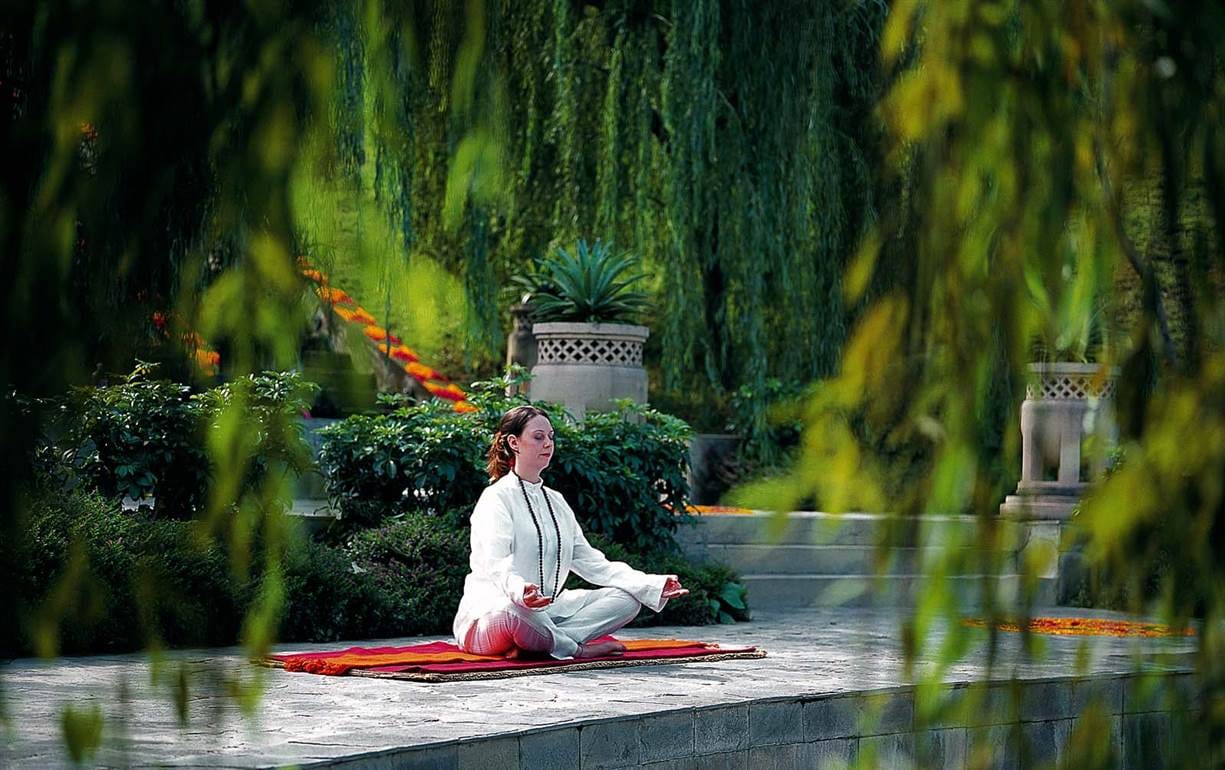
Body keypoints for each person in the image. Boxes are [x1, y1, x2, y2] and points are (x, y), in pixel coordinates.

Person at [452, 405, 688, 659]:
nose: (548, 444)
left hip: (548, 613)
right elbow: (497, 563)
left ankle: (538, 643)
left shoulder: (556, 502)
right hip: (493, 614)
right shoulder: (496, 497)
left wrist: (651, 584)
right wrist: (521, 592)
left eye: (551, 437)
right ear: (514, 442)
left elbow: (594, 563)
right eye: (538, 437)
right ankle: (574, 648)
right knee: (517, 612)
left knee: (628, 600)